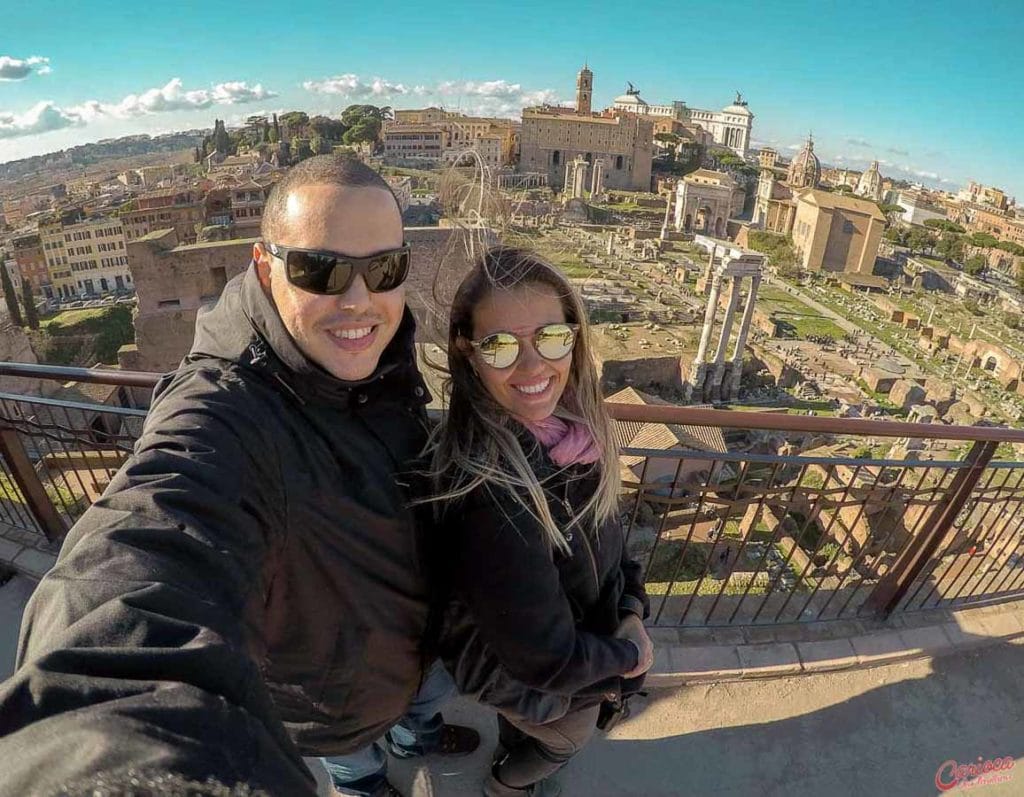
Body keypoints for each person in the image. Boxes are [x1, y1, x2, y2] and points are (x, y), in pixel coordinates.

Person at [0, 155, 477, 797]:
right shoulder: (224, 410)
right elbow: (141, 554)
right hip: (332, 698)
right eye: (321, 270)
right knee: (355, 768)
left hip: (405, 650)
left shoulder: (374, 357)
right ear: (264, 266)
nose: (359, 299)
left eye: (384, 268)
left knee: (409, 719)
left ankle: (411, 738)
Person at [424, 247, 655, 796]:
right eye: (501, 346)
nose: (532, 368)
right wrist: (630, 655)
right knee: (563, 743)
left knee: (533, 727)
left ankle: (511, 749)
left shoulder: (575, 434)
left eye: (550, 338)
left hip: (560, 657)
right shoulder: (493, 494)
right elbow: (546, 660)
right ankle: (507, 785)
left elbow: (609, 541)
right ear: (469, 350)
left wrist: (630, 606)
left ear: (575, 337)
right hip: (541, 674)